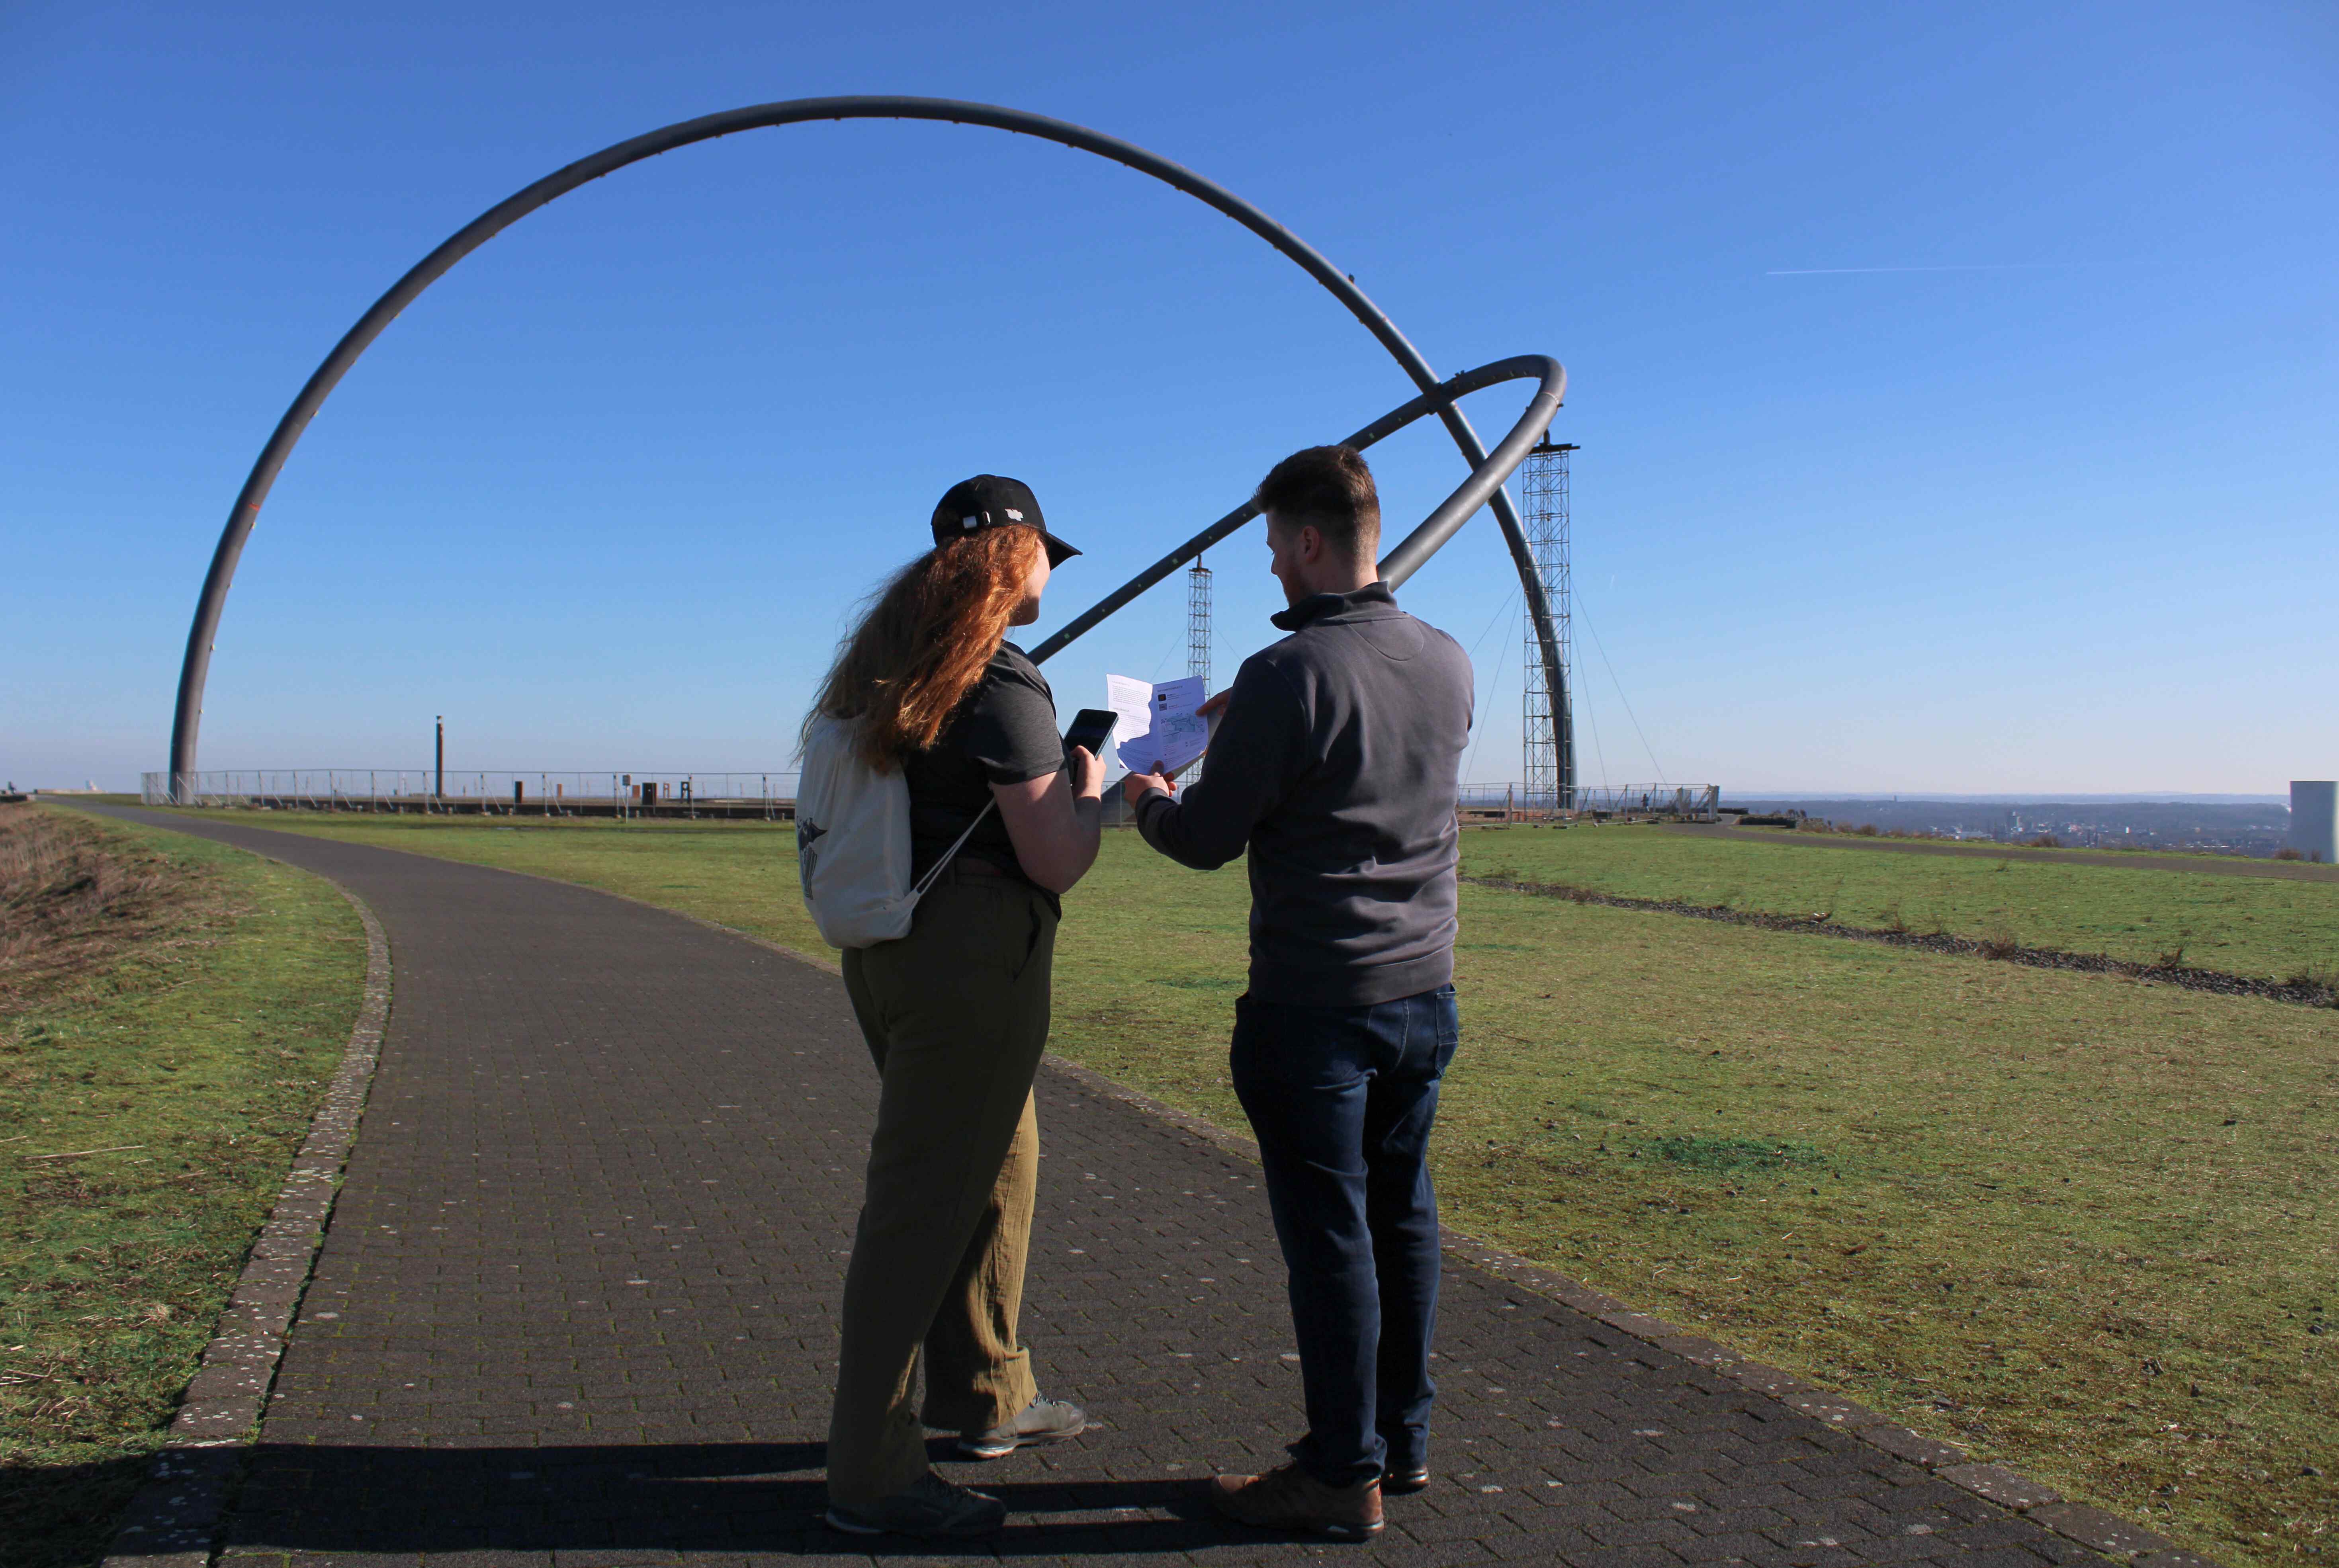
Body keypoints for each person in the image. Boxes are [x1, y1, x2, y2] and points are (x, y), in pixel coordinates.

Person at [1121, 446, 1473, 1541]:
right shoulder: (1447, 657)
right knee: (1400, 1215)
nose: (1272, 566)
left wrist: (1145, 795)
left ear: (1308, 541)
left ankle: (1337, 1471)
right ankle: (1397, 1442)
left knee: (1330, 1238)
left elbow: (1206, 839)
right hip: (1423, 993)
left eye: (1274, 547)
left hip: (1314, 1001)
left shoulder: (1285, 676)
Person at [813, 476, 1106, 1539]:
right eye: (1043, 553)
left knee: (1001, 1161)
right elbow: (1054, 856)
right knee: (919, 1207)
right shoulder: (1000, 681)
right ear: (1009, 554)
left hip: (887, 956)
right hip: (969, 969)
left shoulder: (886, 660)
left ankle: (988, 1389)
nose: (1049, 573)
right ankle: (873, 1473)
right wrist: (1096, 780)